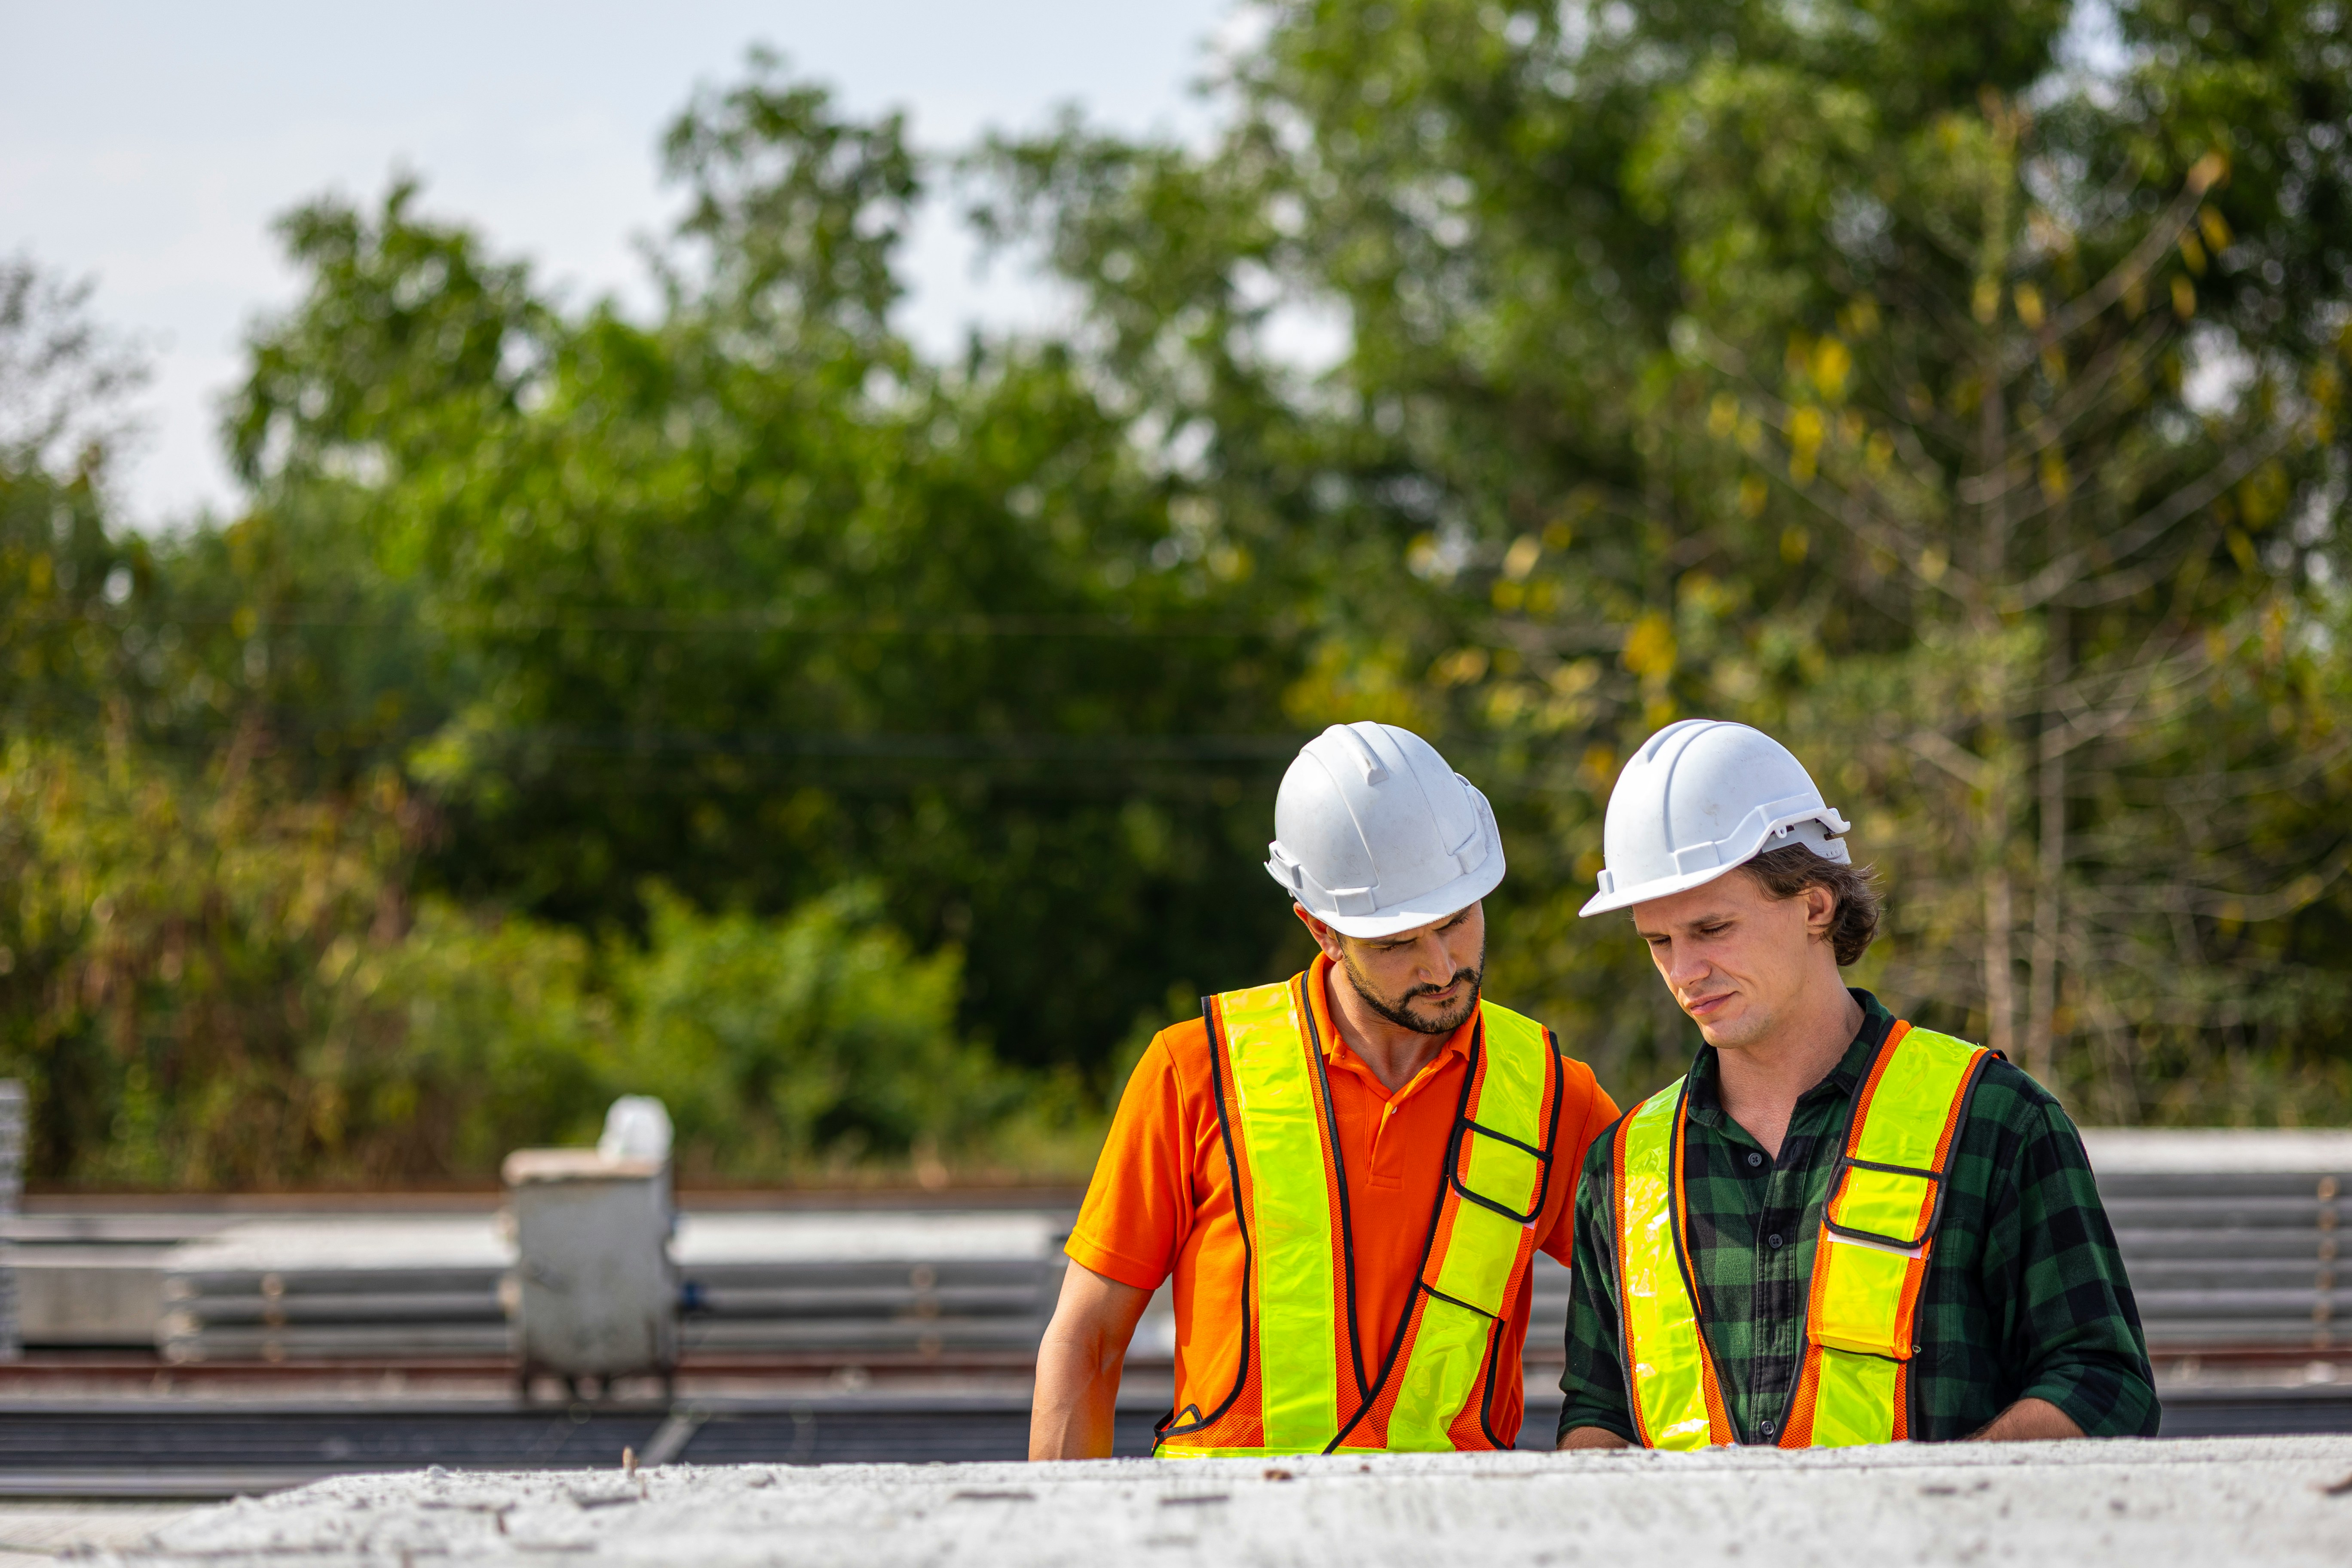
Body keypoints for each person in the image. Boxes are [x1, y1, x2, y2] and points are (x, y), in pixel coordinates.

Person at [1556, 719, 2159, 1449]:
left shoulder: (1994, 1122)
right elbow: (1600, 1416)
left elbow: (2102, 1385)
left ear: (1816, 906)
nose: (1684, 973)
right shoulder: (1624, 1170)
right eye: (1659, 941)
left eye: (1712, 930)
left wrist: (1933, 1504)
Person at [1030, 721, 1617, 1459]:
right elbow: (1087, 1340)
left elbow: (1652, 1313)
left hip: (1453, 1536)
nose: (1441, 966)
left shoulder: (1550, 1093)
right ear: (1320, 929)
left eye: (1458, 921)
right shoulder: (1196, 1073)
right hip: (1225, 1536)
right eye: (1397, 942)